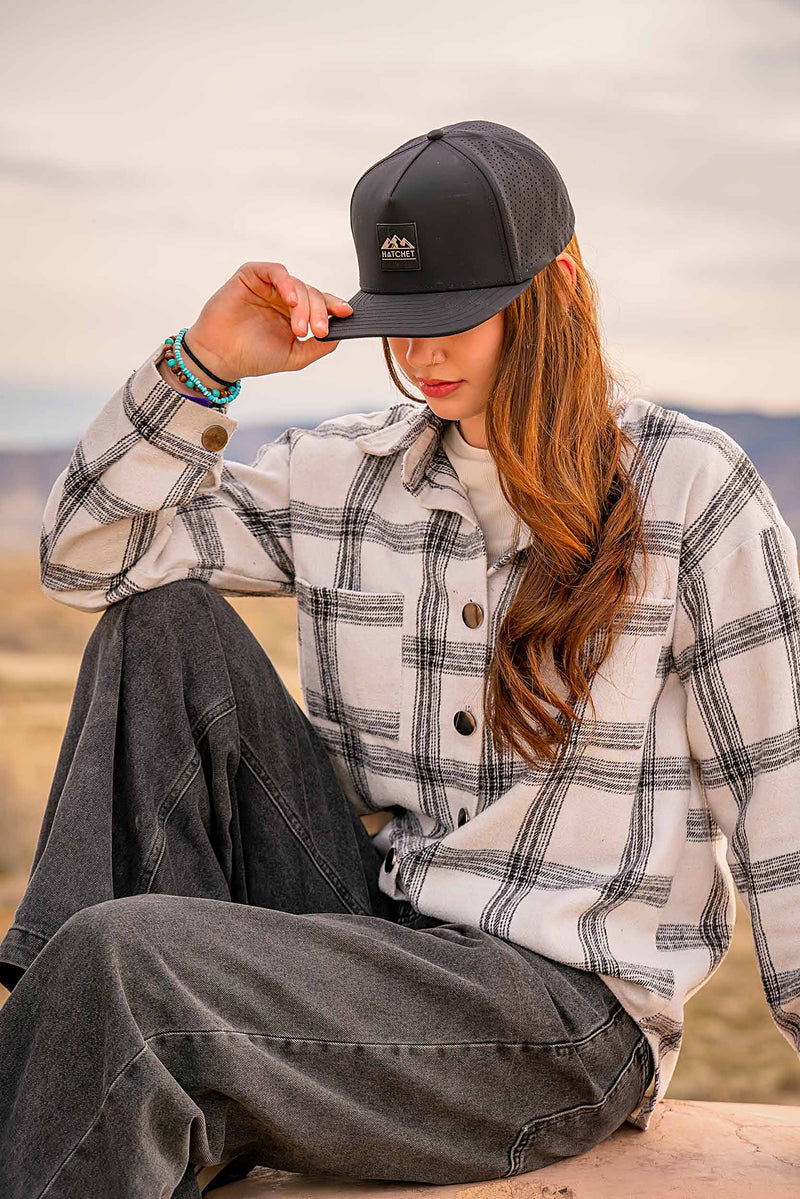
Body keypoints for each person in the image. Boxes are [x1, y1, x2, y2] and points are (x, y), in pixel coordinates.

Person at [0, 120, 798, 1199]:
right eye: (397, 321)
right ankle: (72, 1040)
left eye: (454, 317)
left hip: (557, 1015)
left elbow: (780, 786)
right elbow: (90, 557)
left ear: (556, 283)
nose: (421, 353)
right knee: (159, 622)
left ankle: (82, 1042)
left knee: (123, 961)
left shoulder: (690, 490)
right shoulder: (342, 471)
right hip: (365, 930)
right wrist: (203, 366)